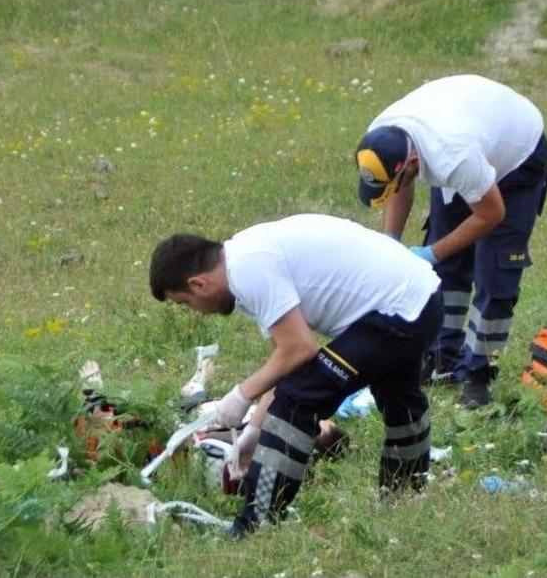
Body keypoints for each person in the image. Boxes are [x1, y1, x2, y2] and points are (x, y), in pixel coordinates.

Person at [149, 214, 443, 537]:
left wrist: (241, 395)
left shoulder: (248, 271)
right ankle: (404, 497)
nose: (195, 312)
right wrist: (254, 431)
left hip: (398, 308)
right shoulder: (244, 256)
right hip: (418, 295)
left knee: (296, 401)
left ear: (198, 284)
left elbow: (300, 349)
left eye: (185, 303)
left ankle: (255, 522)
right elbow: (287, 360)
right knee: (398, 395)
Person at [355, 74, 547, 408]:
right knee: (445, 270)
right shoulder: (382, 137)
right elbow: (400, 186)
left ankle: (479, 375)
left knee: (496, 274)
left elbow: (491, 214)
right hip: (470, 134)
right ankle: (440, 358)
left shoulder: (452, 156)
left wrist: (430, 253)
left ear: (413, 163)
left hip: (517, 159)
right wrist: (390, 242)